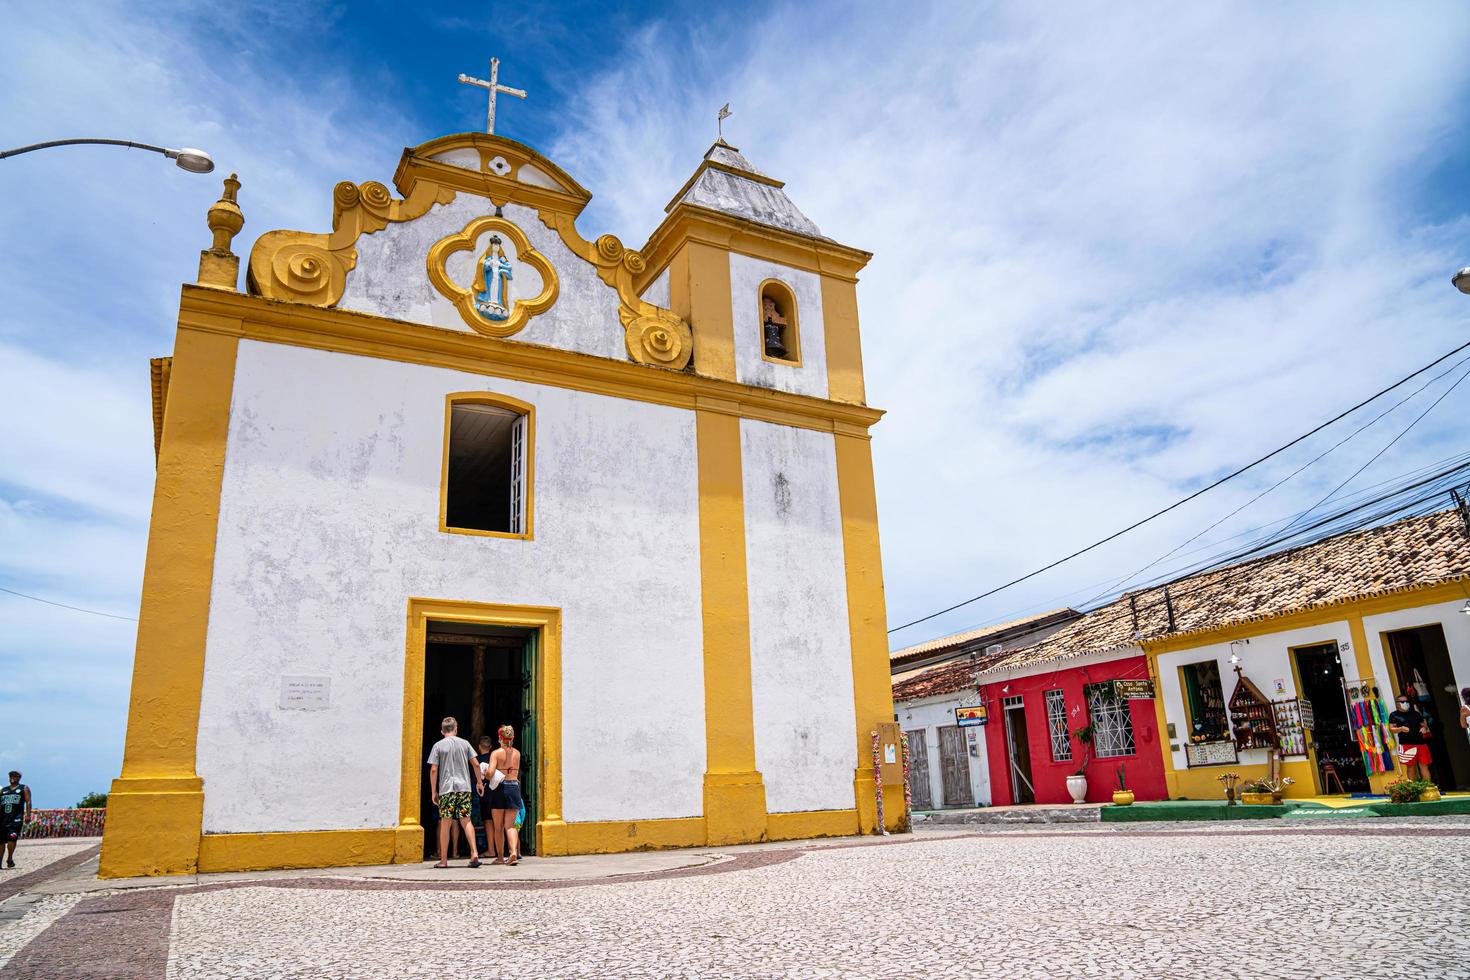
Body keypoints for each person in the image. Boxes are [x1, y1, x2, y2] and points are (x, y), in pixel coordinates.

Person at [426, 717, 483, 868]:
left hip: (447, 789)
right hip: (464, 788)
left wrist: (433, 791)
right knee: (466, 820)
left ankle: (444, 860)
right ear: (456, 729)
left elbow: (433, 769)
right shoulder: (465, 743)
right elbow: (476, 764)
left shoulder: (438, 746)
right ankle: (474, 853)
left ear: (442, 730)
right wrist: (479, 782)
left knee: (446, 822)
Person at [487, 724, 523, 866]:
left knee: (498, 827)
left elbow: (490, 773)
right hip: (514, 787)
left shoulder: (496, 753)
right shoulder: (517, 753)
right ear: (512, 738)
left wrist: (485, 772)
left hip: (499, 789)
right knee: (511, 826)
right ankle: (513, 851)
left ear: (500, 738)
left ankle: (501, 857)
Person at [1389, 692, 1433, 781]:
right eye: (1402, 702)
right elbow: (1391, 729)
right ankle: (1413, 789)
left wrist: (1424, 728)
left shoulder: (1415, 713)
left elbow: (1424, 724)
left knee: (1424, 766)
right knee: (1411, 767)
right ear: (1397, 703)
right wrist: (1401, 728)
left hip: (1421, 743)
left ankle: (1428, 788)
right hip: (1406, 744)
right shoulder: (1394, 715)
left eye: (1406, 701)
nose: (1405, 703)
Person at [1, 771, 31, 869]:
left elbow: (28, 801)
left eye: (15, 776)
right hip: (3, 818)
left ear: (19, 778)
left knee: (12, 837)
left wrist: (28, 814)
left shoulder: (23, 788)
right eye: (10, 776)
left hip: (16, 818)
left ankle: (9, 858)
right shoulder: (4, 790)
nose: (12, 778)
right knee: (1, 841)